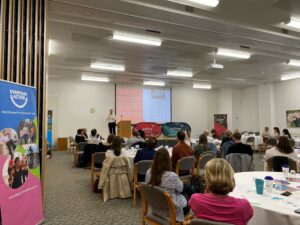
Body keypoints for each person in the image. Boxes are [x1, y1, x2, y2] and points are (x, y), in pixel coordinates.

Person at [189, 158, 253, 225]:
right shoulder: (243, 206)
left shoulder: (196, 200)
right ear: (230, 178)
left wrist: (208, 189)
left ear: (208, 179)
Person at [145, 148, 192, 222]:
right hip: (171, 212)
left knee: (183, 190)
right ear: (168, 160)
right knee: (188, 193)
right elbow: (182, 188)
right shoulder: (171, 176)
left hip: (155, 208)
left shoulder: (149, 172)